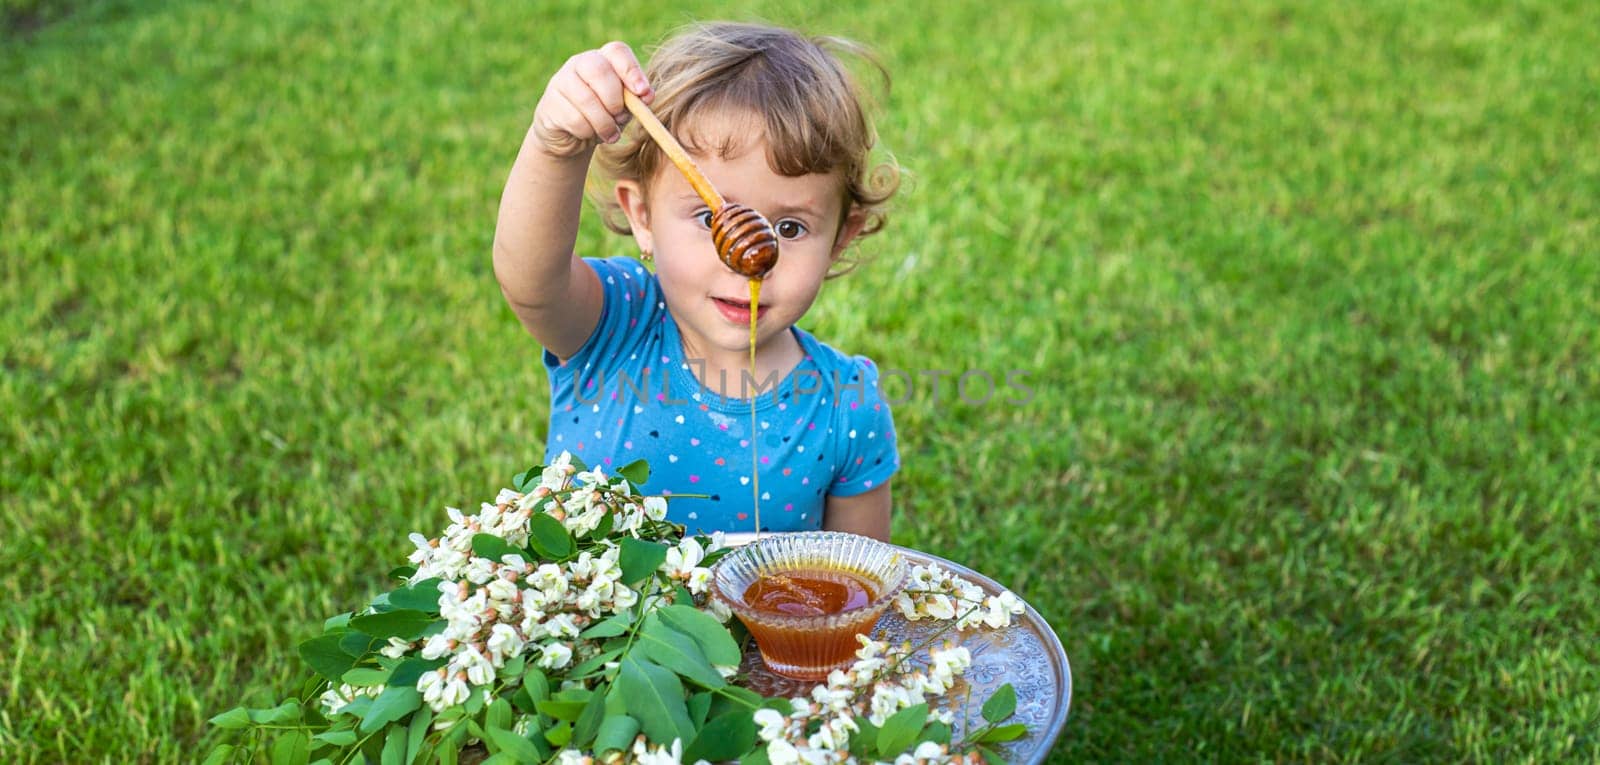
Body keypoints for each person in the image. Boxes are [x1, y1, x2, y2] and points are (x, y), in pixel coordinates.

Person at [494, 22, 900, 540]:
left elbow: (855, 584)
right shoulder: (615, 324)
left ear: (841, 238)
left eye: (791, 227)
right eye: (711, 218)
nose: (750, 262)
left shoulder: (848, 406)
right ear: (642, 216)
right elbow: (530, 279)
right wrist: (555, 148)